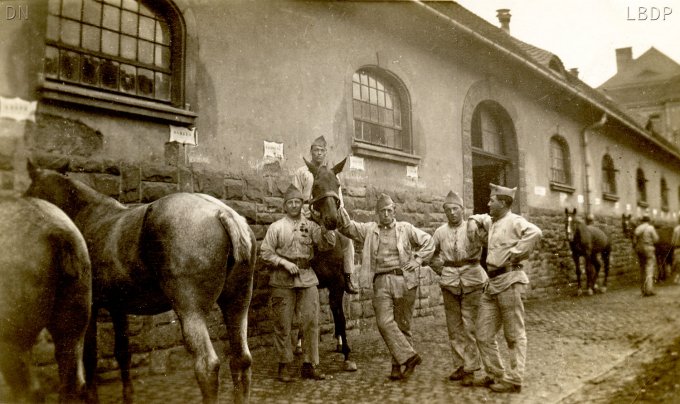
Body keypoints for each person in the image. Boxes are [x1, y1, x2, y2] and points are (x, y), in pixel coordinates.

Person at [337, 193, 434, 380]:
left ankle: (397, 367)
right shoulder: (369, 230)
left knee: (402, 325)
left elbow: (428, 241)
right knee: (384, 323)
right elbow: (348, 227)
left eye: (389, 210)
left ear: (394, 211)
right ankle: (410, 356)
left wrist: (418, 259)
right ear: (377, 213)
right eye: (382, 211)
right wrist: (339, 206)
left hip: (405, 281)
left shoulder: (406, 228)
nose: (386, 214)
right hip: (381, 282)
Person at [466, 184, 542, 393]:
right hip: (492, 285)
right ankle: (495, 373)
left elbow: (535, 232)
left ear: (503, 203)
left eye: (492, 200)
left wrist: (516, 252)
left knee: (514, 334)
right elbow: (479, 217)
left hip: (510, 281)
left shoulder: (514, 221)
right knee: (482, 333)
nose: (488, 203)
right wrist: (472, 221)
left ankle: (515, 379)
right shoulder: (493, 222)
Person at [260, 184, 336, 382]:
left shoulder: (310, 226)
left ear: (302, 205)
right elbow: (265, 252)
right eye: (290, 203)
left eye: (297, 202)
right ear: (285, 206)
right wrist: (284, 263)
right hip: (282, 279)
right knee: (282, 324)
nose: (294, 206)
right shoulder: (276, 227)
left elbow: (328, 244)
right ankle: (284, 366)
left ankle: (310, 365)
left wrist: (323, 225)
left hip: (306, 276)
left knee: (311, 321)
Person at [430, 191, 488, 386]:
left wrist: (475, 221)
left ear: (463, 210)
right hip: (449, 282)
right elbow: (430, 253)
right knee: (454, 327)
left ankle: (471, 368)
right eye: (448, 210)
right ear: (445, 212)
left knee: (470, 326)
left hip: (472, 279)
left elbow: (489, 234)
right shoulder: (440, 232)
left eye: (456, 209)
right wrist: (441, 269)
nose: (452, 213)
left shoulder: (472, 228)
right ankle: (460, 365)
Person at [293, 135, 358, 295]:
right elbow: (294, 195)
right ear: (311, 151)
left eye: (322, 150)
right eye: (316, 150)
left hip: (327, 214)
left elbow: (338, 199)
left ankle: (348, 276)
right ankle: (295, 275)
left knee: (346, 240)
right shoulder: (302, 172)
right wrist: (302, 212)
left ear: (325, 152)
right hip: (307, 214)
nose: (319, 153)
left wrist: (339, 215)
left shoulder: (332, 174)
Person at [633, 213, 659, 297]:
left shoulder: (638, 228)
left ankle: (643, 290)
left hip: (639, 249)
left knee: (642, 269)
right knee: (649, 269)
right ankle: (649, 290)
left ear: (642, 220)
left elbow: (634, 241)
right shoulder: (650, 228)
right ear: (648, 220)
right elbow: (656, 239)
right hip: (648, 248)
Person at [672, 217, 680, 284]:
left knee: (677, 264)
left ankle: (677, 278)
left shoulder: (676, 229)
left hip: (677, 248)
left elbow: (673, 241)